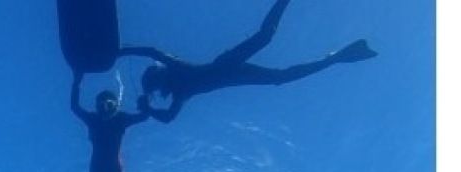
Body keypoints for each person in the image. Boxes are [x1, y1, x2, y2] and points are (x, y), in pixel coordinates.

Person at [120, 0, 377, 123]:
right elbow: (167, 117)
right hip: (232, 73)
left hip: (225, 66)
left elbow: (153, 53)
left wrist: (122, 53)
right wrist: (148, 107)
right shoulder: (180, 91)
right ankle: (336, 58)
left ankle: (334, 57)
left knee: (266, 41)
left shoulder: (178, 80)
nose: (159, 79)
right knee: (280, 74)